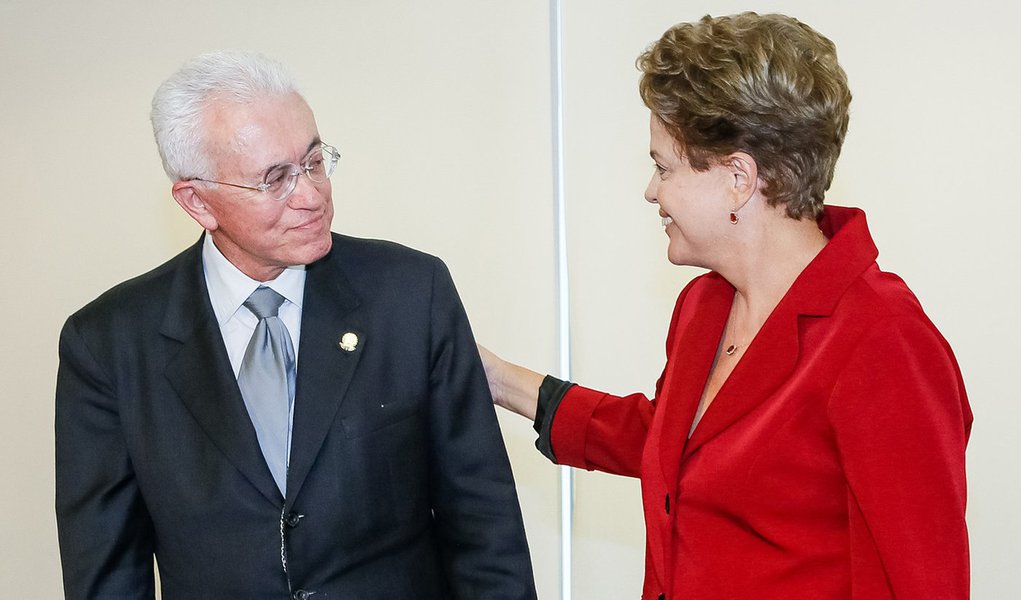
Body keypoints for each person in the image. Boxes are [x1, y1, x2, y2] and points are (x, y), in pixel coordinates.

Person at [480, 12, 972, 600]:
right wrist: (497, 379)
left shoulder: (882, 339)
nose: (651, 190)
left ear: (739, 177)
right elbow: (673, 446)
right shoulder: (704, 306)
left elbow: (923, 582)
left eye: (663, 167)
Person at [55, 51, 536, 599]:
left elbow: (484, 527)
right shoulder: (109, 344)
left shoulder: (409, 294)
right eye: (275, 179)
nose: (311, 195)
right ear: (197, 201)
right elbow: (108, 573)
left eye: (313, 162)